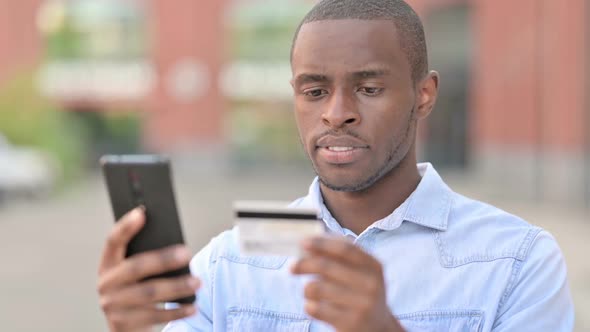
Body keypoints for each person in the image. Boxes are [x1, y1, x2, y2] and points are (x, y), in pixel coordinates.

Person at [97, 0, 574, 331]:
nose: (336, 112)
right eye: (314, 91)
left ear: (424, 95)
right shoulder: (228, 263)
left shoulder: (517, 261)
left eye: (369, 89)